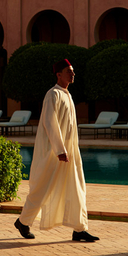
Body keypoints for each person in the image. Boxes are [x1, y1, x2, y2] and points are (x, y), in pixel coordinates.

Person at [14, 59, 99, 242]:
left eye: (73, 71)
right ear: (58, 74)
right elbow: (50, 122)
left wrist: (69, 149)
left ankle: (79, 229)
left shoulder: (67, 94)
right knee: (42, 188)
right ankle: (23, 222)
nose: (73, 74)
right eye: (69, 71)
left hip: (70, 152)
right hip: (53, 153)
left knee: (77, 188)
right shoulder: (52, 94)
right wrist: (59, 149)